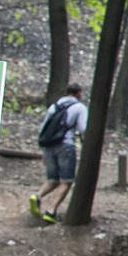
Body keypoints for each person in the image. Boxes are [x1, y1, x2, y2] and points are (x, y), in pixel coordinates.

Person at [28, 85, 88, 223]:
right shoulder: (80, 108)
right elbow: (83, 129)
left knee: (53, 179)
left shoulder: (54, 107)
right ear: (79, 93)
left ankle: (37, 196)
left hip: (48, 146)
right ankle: (51, 211)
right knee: (67, 181)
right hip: (66, 146)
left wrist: (43, 151)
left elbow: (43, 128)